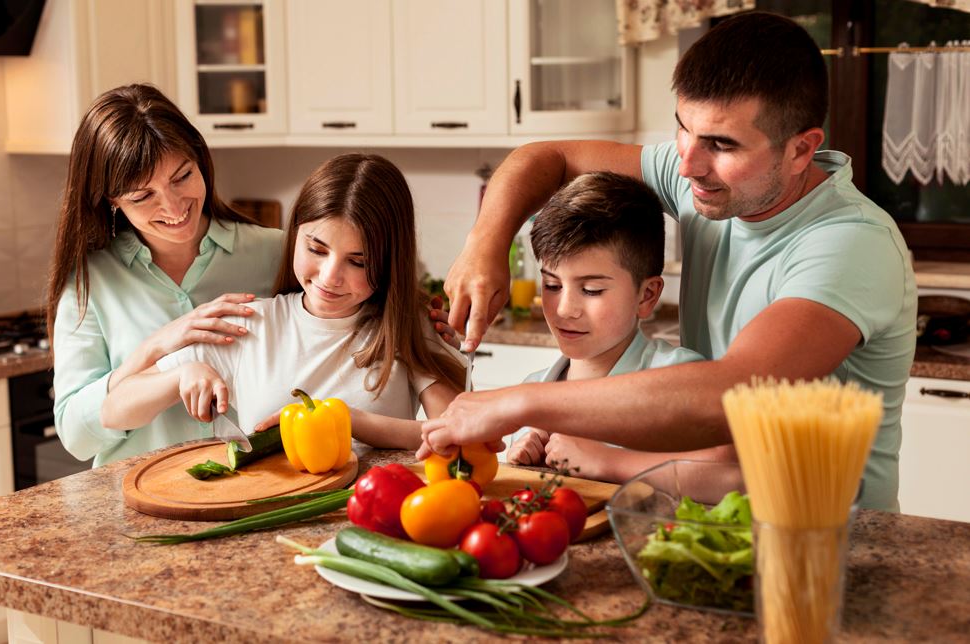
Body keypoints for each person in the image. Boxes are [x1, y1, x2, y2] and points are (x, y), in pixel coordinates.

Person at [420, 12, 916, 511]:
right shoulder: (707, 179)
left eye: (722, 144)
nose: (688, 165)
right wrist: (484, 242)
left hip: (834, 542)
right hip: (723, 527)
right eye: (684, 129)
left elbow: (735, 394)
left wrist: (514, 404)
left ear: (801, 149)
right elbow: (546, 156)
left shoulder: (851, 242)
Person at [101, 154, 466, 451]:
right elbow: (114, 411)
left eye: (359, 261)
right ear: (295, 235)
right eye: (316, 249)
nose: (329, 276)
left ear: (390, 264)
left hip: (374, 518)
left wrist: (348, 421)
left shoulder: (407, 324)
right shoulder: (250, 323)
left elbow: (459, 434)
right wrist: (182, 375)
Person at [48, 84, 284, 468]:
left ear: (199, 158)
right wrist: (157, 348)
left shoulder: (276, 254)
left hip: (261, 490)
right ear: (111, 200)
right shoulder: (91, 281)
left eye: (182, 176)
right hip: (138, 505)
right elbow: (76, 436)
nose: (173, 206)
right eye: (142, 196)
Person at [504, 172, 736, 482]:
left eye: (592, 290)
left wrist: (610, 460)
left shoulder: (679, 377)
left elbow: (733, 475)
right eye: (551, 284)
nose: (564, 310)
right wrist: (521, 457)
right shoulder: (530, 393)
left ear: (647, 295)